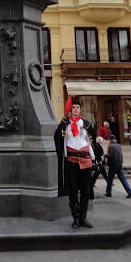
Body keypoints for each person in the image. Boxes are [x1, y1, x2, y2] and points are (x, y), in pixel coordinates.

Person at [54, 96, 96, 229]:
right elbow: (59, 140)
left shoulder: (86, 125)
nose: (76, 110)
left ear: (80, 109)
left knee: (85, 191)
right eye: (73, 107)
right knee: (73, 192)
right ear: (70, 110)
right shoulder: (64, 126)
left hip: (85, 161)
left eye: (78, 107)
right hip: (71, 162)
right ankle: (75, 218)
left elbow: (92, 141)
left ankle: (83, 217)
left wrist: (94, 157)